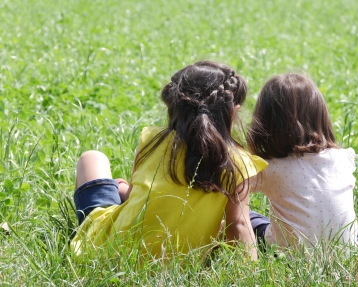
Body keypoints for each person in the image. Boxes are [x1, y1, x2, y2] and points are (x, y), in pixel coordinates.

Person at [70, 61, 267, 261]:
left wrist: (120, 187)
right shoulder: (239, 163)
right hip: (180, 265)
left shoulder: (152, 140)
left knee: (92, 158)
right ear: (233, 112)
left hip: (106, 254)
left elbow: (131, 197)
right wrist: (250, 273)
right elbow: (239, 225)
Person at [247, 73, 358, 250]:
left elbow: (232, 186)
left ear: (266, 124)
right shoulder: (342, 158)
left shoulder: (270, 168)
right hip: (348, 251)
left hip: (289, 256)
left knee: (247, 215)